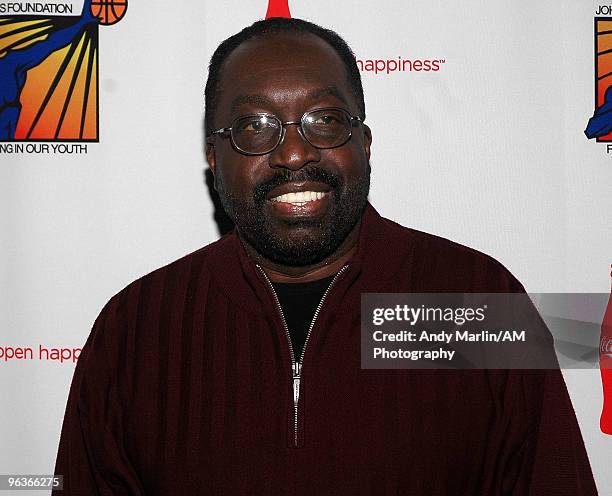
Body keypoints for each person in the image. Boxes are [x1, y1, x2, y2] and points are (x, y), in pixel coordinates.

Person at [53, 17, 598, 495]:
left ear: (364, 142)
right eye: (254, 127)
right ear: (213, 157)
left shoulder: (477, 299)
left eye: (325, 120)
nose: (294, 152)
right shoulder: (137, 327)